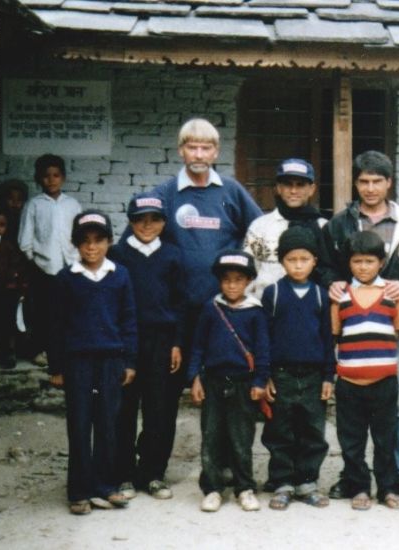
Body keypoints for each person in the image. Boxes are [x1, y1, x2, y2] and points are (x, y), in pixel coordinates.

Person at [142, 118, 262, 480]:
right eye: (191, 147)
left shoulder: (231, 190)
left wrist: (246, 286)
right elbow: (143, 239)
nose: (198, 154)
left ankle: (224, 467)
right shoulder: (165, 194)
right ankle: (151, 470)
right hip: (175, 315)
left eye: (206, 147)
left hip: (223, 314)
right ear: (180, 150)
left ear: (216, 152)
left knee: (226, 393)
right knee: (163, 397)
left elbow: (257, 234)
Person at [320, 151, 399, 500]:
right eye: (364, 181)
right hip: (353, 326)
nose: (370, 188)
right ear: (355, 184)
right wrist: (332, 283)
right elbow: (324, 266)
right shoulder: (340, 224)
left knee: (390, 405)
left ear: (389, 183)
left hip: (389, 329)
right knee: (352, 411)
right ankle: (354, 478)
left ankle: (398, 475)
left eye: (377, 181)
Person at [47, 210, 137, 515]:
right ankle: (79, 490)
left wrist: (130, 361)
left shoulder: (120, 275)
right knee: (80, 424)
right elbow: (55, 325)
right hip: (78, 363)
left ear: (109, 242)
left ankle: (105, 486)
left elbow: (129, 320)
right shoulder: (66, 279)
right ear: (75, 244)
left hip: (112, 360)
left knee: (108, 425)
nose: (91, 247)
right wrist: (56, 367)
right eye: (84, 241)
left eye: (99, 240)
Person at [109, 193, 185, 500]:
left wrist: (178, 342)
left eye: (154, 219)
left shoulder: (172, 255)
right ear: (130, 221)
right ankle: (123, 472)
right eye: (140, 219)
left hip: (161, 340)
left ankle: (153, 472)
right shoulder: (117, 254)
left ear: (163, 222)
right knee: (123, 408)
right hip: (127, 339)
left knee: (160, 408)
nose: (147, 225)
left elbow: (180, 302)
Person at [330, 231, 399, 511]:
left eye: (369, 261)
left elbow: (398, 331)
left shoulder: (391, 293)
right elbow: (336, 335)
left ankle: (387, 487)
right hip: (349, 381)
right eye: (357, 261)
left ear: (382, 262)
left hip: (384, 382)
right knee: (352, 440)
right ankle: (359, 486)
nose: (363, 267)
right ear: (349, 263)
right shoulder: (341, 296)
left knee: (385, 438)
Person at [188, 250, 269, 513]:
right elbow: (197, 346)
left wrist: (260, 381)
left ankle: (244, 487)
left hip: (243, 383)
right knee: (211, 437)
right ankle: (212, 488)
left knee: (241, 438)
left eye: (238, 279)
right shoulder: (211, 309)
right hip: (212, 381)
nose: (232, 285)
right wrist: (194, 378)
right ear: (219, 281)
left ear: (248, 281)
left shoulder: (255, 312)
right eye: (226, 279)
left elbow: (263, 350)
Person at [260, 226, 334, 510]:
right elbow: (263, 339)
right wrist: (265, 375)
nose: (299, 265)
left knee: (312, 431)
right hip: (282, 376)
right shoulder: (274, 294)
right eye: (292, 259)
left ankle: (307, 482)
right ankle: (282, 482)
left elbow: (328, 339)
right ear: (282, 261)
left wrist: (329, 375)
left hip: (314, 376)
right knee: (280, 430)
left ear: (314, 260)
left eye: (304, 259)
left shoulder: (320, 295)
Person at [18, 154, 82, 366]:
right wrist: (35, 260)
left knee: (69, 310)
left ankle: (66, 349)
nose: (51, 180)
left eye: (56, 175)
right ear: (38, 179)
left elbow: (80, 233)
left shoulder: (72, 204)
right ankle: (41, 350)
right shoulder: (34, 205)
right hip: (44, 268)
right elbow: (25, 239)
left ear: (63, 178)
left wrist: (78, 259)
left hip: (70, 266)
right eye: (46, 176)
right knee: (44, 312)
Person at [244, 158, 327, 299]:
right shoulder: (260, 226)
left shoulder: (323, 226)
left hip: (308, 305)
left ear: (312, 189)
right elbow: (248, 271)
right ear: (278, 188)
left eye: (300, 185)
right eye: (288, 185)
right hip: (266, 306)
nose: (293, 191)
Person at [0, 206, 28, 368]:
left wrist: (16, 283)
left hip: (6, 290)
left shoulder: (10, 246)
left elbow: (17, 267)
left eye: (1, 225)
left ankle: (8, 352)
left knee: (7, 322)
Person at [0, 178, 29, 245]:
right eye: (10, 198)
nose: (15, 202)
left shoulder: (26, 218)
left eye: (19, 199)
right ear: (3, 199)